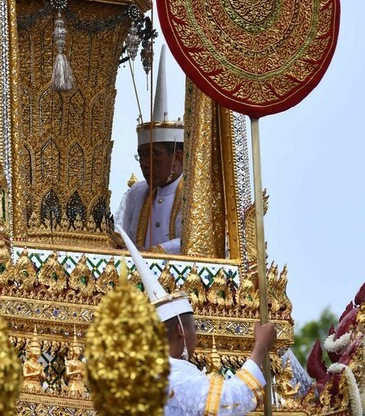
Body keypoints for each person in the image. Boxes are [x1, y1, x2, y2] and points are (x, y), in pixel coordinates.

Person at [116, 226, 277, 415]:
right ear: (181, 331)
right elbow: (228, 402)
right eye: (194, 328)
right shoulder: (173, 373)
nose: (196, 335)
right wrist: (260, 347)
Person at [116, 46, 185, 253]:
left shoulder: (194, 194)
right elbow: (120, 233)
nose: (144, 163)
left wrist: (156, 252)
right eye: (141, 155)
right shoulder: (137, 193)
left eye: (154, 155)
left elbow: (200, 243)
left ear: (177, 157)